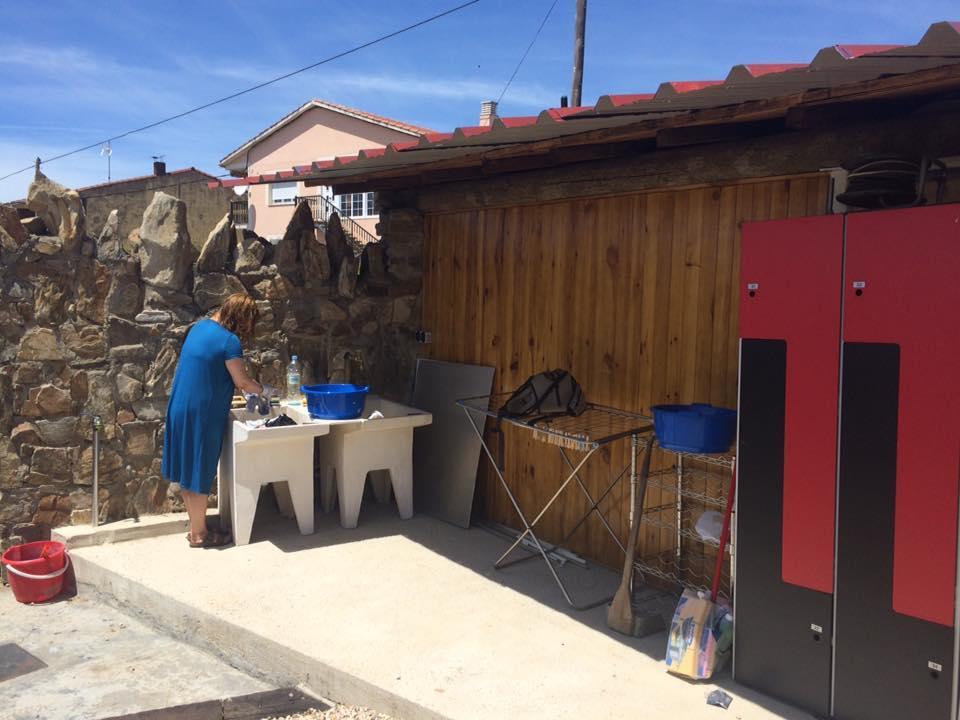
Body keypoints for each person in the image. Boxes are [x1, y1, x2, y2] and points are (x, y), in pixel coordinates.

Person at [162, 293, 272, 548]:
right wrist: (265, 391)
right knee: (199, 471)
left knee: (188, 471)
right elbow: (242, 381)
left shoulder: (199, 327)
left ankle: (195, 528)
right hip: (203, 413)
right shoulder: (229, 341)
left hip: (180, 406)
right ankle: (201, 535)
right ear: (241, 319)